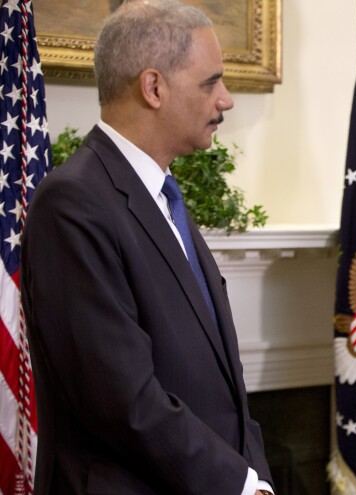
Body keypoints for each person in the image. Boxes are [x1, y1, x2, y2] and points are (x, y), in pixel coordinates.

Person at [21, 1, 274, 494]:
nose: (226, 100)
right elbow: (123, 401)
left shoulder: (162, 195)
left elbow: (223, 384)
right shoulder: (73, 204)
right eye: (211, 83)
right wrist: (239, 487)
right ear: (154, 87)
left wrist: (255, 476)